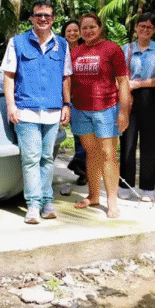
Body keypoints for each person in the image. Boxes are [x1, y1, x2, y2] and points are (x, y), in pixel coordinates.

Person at [2, 0, 72, 224]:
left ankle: (47, 202)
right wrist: (11, 106)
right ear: (32, 18)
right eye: (39, 15)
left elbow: (66, 77)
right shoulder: (17, 42)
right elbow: (8, 76)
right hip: (26, 111)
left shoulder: (62, 44)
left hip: (52, 111)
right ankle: (33, 205)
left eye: (47, 15)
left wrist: (67, 104)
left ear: (53, 19)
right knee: (31, 158)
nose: (43, 19)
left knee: (47, 158)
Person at [71, 13, 130, 218]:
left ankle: (111, 201)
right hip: (80, 109)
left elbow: (123, 81)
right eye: (84, 28)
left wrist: (124, 111)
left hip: (106, 108)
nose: (88, 31)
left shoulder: (112, 49)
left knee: (108, 153)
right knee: (91, 152)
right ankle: (94, 195)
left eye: (92, 27)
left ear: (100, 28)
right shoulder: (75, 52)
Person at [118, 12, 155, 203]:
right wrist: (127, 89)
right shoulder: (126, 48)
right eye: (142, 26)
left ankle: (148, 188)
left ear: (154, 30)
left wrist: (139, 84)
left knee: (149, 144)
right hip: (128, 97)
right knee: (127, 142)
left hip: (151, 97)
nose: (145, 29)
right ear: (136, 27)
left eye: (149, 27)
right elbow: (120, 74)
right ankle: (125, 185)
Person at [60, 20, 88, 186]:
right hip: (61, 98)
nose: (72, 33)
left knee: (81, 134)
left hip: (81, 98)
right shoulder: (59, 50)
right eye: (69, 31)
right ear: (64, 33)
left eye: (75, 30)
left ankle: (82, 168)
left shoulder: (86, 50)